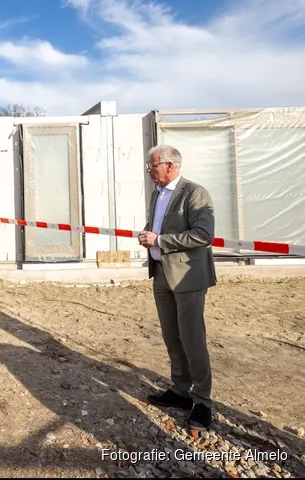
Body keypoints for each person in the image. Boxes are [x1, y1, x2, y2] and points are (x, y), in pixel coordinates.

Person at [138, 144, 216, 430]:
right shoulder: (157, 194)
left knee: (193, 340)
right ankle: (181, 391)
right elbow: (158, 226)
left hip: (188, 279)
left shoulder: (195, 193)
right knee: (172, 337)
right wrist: (148, 235)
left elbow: (204, 235)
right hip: (161, 275)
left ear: (170, 165)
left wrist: (159, 241)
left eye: (152, 166)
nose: (149, 170)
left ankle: (203, 402)